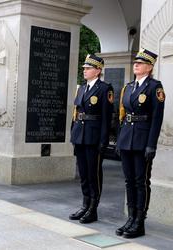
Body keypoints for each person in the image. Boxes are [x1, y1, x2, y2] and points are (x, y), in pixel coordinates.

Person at [116, 48, 165, 238]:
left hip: (143, 141)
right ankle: (130, 218)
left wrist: (151, 145)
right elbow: (122, 117)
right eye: (135, 62)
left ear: (149, 67)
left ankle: (139, 221)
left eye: (141, 63)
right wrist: (120, 141)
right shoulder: (128, 87)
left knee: (141, 181)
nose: (136, 64)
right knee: (129, 181)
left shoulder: (155, 87)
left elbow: (156, 119)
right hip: (127, 139)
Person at [69, 54, 114, 224]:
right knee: (83, 173)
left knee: (93, 173)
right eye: (84, 68)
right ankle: (85, 204)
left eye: (88, 69)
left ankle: (93, 208)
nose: (85, 71)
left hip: (94, 137)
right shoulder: (81, 88)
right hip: (80, 135)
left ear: (98, 71)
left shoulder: (104, 89)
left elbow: (106, 117)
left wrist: (104, 141)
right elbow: (76, 113)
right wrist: (73, 133)